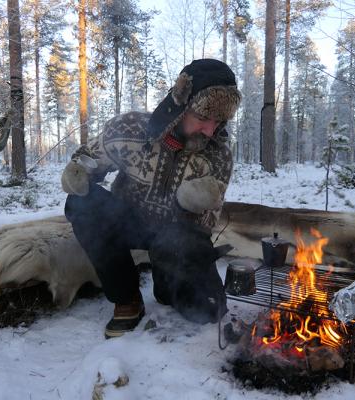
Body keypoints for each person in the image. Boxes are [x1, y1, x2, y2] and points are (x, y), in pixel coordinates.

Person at [62, 59, 241, 338]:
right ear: (181, 107)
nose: (210, 130)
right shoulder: (132, 127)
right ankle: (126, 299)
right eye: (204, 119)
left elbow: (207, 223)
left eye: (218, 121)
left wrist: (193, 204)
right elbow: (89, 157)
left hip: (177, 233)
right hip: (128, 220)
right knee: (81, 203)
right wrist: (79, 170)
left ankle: (166, 284)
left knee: (207, 311)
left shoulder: (218, 155)